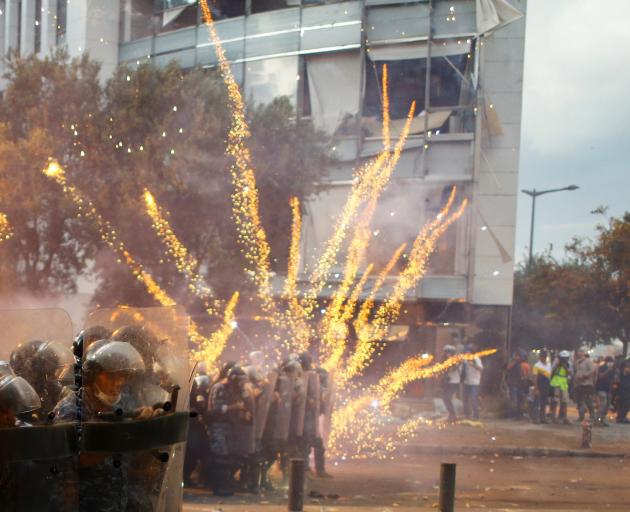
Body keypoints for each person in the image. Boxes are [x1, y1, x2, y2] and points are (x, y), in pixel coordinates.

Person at [573, 347, 596, 422]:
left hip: (587, 384)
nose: (580, 353)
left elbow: (592, 370)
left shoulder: (588, 361)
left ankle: (592, 415)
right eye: (579, 351)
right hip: (579, 384)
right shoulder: (577, 362)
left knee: (587, 400)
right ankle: (581, 416)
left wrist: (585, 375)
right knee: (579, 401)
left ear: (584, 353)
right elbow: (576, 372)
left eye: (581, 351)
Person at [462, 344, 483, 420]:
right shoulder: (465, 360)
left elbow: (481, 369)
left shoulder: (476, 359)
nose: (467, 353)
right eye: (466, 352)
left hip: (475, 383)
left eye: (468, 352)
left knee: (473, 399)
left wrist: (473, 365)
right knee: (465, 399)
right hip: (466, 382)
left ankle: (476, 415)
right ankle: (467, 415)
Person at [550, 351, 571, 425]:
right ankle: (553, 417)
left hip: (564, 384)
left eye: (566, 358)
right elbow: (552, 370)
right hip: (556, 383)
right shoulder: (556, 363)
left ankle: (563, 417)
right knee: (555, 401)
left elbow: (570, 373)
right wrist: (558, 363)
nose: (564, 360)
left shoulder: (568, 364)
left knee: (564, 401)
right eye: (563, 358)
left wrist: (565, 367)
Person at [440, 345, 460, 422]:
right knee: (445, 398)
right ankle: (451, 414)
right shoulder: (445, 360)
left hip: (454, 382)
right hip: (448, 382)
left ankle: (453, 415)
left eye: (449, 352)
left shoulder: (455, 360)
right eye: (446, 352)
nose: (447, 354)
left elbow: (453, 368)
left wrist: (449, 362)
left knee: (447, 397)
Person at [506, 349, 528, 419]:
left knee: (520, 399)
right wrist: (515, 360)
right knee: (513, 400)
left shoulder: (520, 363)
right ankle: (511, 415)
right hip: (513, 383)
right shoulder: (513, 361)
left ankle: (519, 414)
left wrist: (523, 378)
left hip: (519, 383)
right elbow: (508, 367)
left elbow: (521, 372)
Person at [532, 350, 551, 424]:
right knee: (537, 403)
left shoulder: (549, 365)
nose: (543, 358)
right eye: (542, 357)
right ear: (540, 357)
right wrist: (536, 388)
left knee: (544, 403)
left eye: (545, 357)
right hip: (539, 385)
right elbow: (535, 377)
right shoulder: (537, 365)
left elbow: (549, 376)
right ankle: (536, 418)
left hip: (546, 386)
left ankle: (543, 418)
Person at [595, 356, 615, 426]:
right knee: (603, 404)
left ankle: (602, 420)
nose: (611, 364)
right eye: (610, 362)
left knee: (607, 406)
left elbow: (612, 379)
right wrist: (608, 371)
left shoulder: (612, 369)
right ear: (607, 361)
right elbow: (600, 376)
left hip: (608, 389)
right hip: (601, 388)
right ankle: (598, 420)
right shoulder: (602, 367)